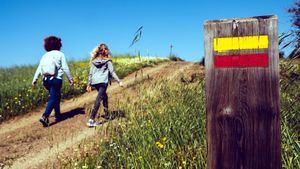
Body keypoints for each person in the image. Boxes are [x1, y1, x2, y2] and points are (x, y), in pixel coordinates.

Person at [32, 36, 73, 127]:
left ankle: (58, 115)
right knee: (54, 98)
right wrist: (70, 79)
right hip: (56, 80)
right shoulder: (60, 54)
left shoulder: (44, 55)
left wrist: (34, 80)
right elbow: (65, 68)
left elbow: (39, 69)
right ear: (58, 44)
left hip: (46, 81)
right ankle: (45, 116)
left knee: (56, 96)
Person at [86, 43, 123, 127]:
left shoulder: (94, 61)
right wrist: (119, 81)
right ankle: (91, 120)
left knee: (104, 96)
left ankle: (106, 114)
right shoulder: (108, 61)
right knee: (98, 99)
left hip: (95, 83)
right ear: (105, 51)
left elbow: (90, 74)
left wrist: (89, 84)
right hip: (103, 82)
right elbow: (112, 72)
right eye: (106, 49)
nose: (107, 51)